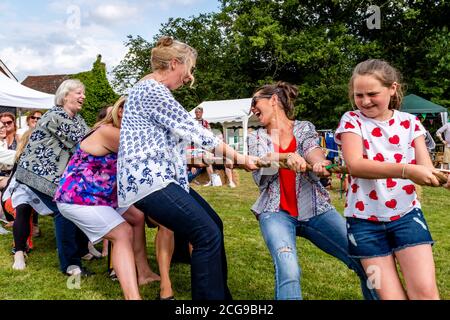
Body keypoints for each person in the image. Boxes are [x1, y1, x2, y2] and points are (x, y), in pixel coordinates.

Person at [117, 36, 258, 300]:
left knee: (213, 225)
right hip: (150, 181)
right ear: (173, 63)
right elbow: (194, 130)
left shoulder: (147, 87)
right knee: (205, 233)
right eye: (188, 69)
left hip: (161, 179)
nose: (189, 77)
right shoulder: (152, 90)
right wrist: (239, 157)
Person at [247, 81, 377, 300]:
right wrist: (285, 157)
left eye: (255, 101)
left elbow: (312, 149)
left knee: (366, 261)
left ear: (274, 100)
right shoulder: (256, 137)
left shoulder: (303, 127)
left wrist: (320, 163)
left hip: (317, 209)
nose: (252, 108)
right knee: (289, 271)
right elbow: (263, 166)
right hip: (275, 212)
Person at [335, 59, 450, 300]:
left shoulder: (411, 123)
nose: (365, 101)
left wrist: (442, 178)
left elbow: (426, 170)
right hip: (364, 223)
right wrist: (407, 171)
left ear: (392, 88)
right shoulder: (351, 120)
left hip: (407, 217)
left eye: (372, 94)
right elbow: (355, 165)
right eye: (359, 95)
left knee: (426, 295)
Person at [55, 96, 159, 300]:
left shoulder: (118, 131)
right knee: (122, 233)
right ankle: (133, 297)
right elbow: (147, 154)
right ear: (121, 112)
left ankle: (144, 274)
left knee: (136, 218)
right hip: (78, 198)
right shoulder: (109, 133)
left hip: (99, 197)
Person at [12, 79, 92, 276]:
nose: (83, 96)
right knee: (64, 209)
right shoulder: (56, 116)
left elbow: (89, 135)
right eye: (78, 93)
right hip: (36, 174)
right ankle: (71, 265)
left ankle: (80, 251)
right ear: (65, 96)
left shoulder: (77, 119)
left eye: (83, 93)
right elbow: (83, 142)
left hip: (54, 175)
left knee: (76, 205)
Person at [193, 106, 215, 186]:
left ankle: (212, 181)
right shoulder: (192, 121)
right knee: (193, 162)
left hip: (204, 145)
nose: (198, 114)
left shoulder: (205, 123)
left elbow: (210, 133)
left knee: (207, 162)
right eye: (196, 112)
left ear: (202, 113)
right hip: (194, 145)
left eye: (199, 112)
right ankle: (193, 180)